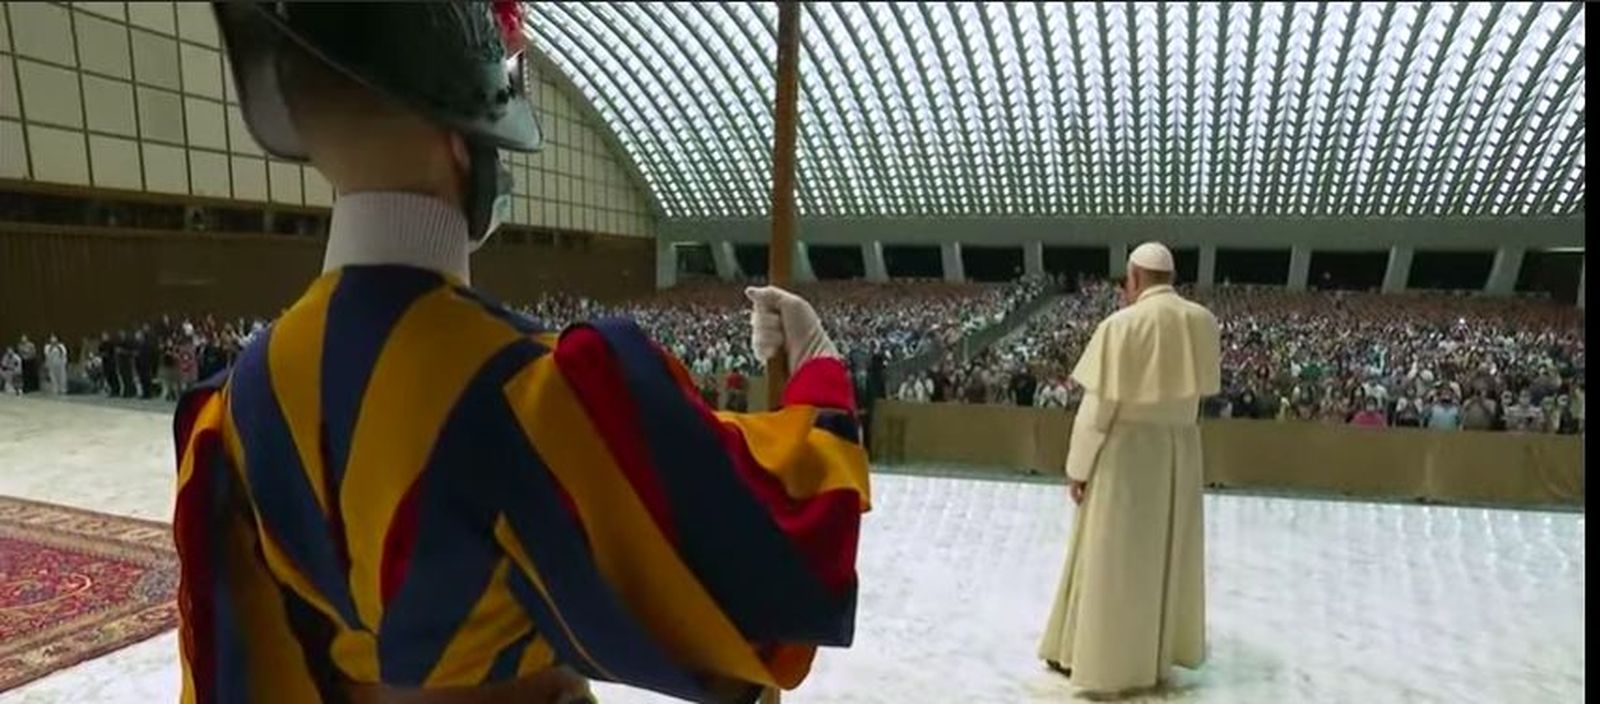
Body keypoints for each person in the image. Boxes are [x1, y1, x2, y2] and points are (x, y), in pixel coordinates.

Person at [174, 4, 869, 703]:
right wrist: (817, 365)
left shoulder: (236, 402)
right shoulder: (529, 387)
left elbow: (245, 668)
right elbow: (781, 566)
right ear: (462, 145)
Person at [1038, 243, 1219, 696]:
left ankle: (1101, 662)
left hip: (1125, 455)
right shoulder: (1203, 322)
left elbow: (1097, 410)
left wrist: (1078, 467)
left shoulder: (1120, 325)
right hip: (1179, 453)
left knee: (1112, 560)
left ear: (1134, 278)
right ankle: (1153, 657)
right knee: (1161, 558)